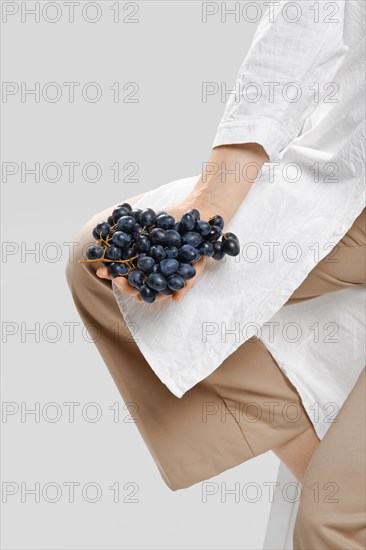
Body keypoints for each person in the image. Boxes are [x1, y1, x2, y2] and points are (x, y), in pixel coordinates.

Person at [66, 1, 365, 548]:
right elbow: (299, 27)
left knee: (331, 523)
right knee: (106, 259)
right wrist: (207, 206)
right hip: (350, 186)